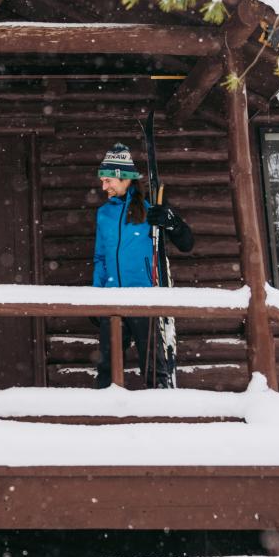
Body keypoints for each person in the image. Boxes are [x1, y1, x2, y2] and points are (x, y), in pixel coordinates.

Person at [92, 143, 193, 389]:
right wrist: (96, 296)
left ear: (123, 178)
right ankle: (105, 410)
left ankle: (160, 408)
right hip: (111, 300)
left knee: (154, 367)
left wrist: (171, 221)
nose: (104, 187)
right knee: (106, 370)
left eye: (108, 180)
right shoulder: (104, 214)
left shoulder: (151, 210)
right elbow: (101, 258)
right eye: (102, 181)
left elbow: (186, 243)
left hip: (144, 298)